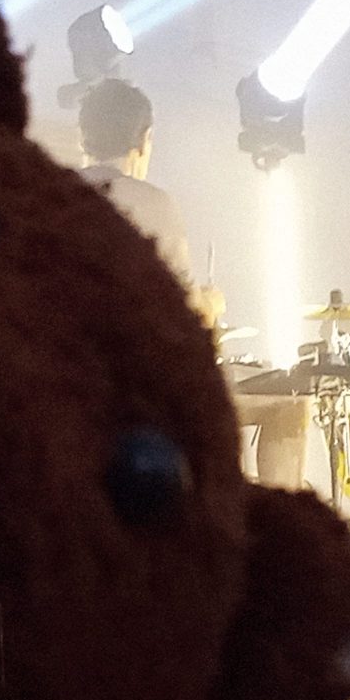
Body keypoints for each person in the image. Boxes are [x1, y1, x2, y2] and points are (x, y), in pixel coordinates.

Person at [77, 79, 310, 489]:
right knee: (289, 401)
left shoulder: (53, 196)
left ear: (85, 138)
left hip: (69, 389)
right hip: (144, 395)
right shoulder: (153, 204)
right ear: (145, 140)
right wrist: (210, 304)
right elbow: (185, 319)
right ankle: (267, 519)